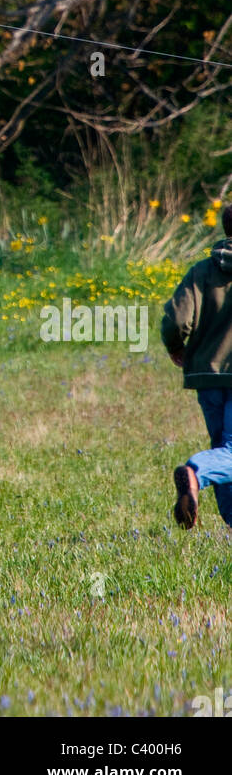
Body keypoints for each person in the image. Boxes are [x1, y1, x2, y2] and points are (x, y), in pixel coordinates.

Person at [161, 204, 232, 530]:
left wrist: (177, 348)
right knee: (228, 454)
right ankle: (195, 473)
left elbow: (177, 320)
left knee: (225, 452)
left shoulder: (202, 271)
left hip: (207, 376)